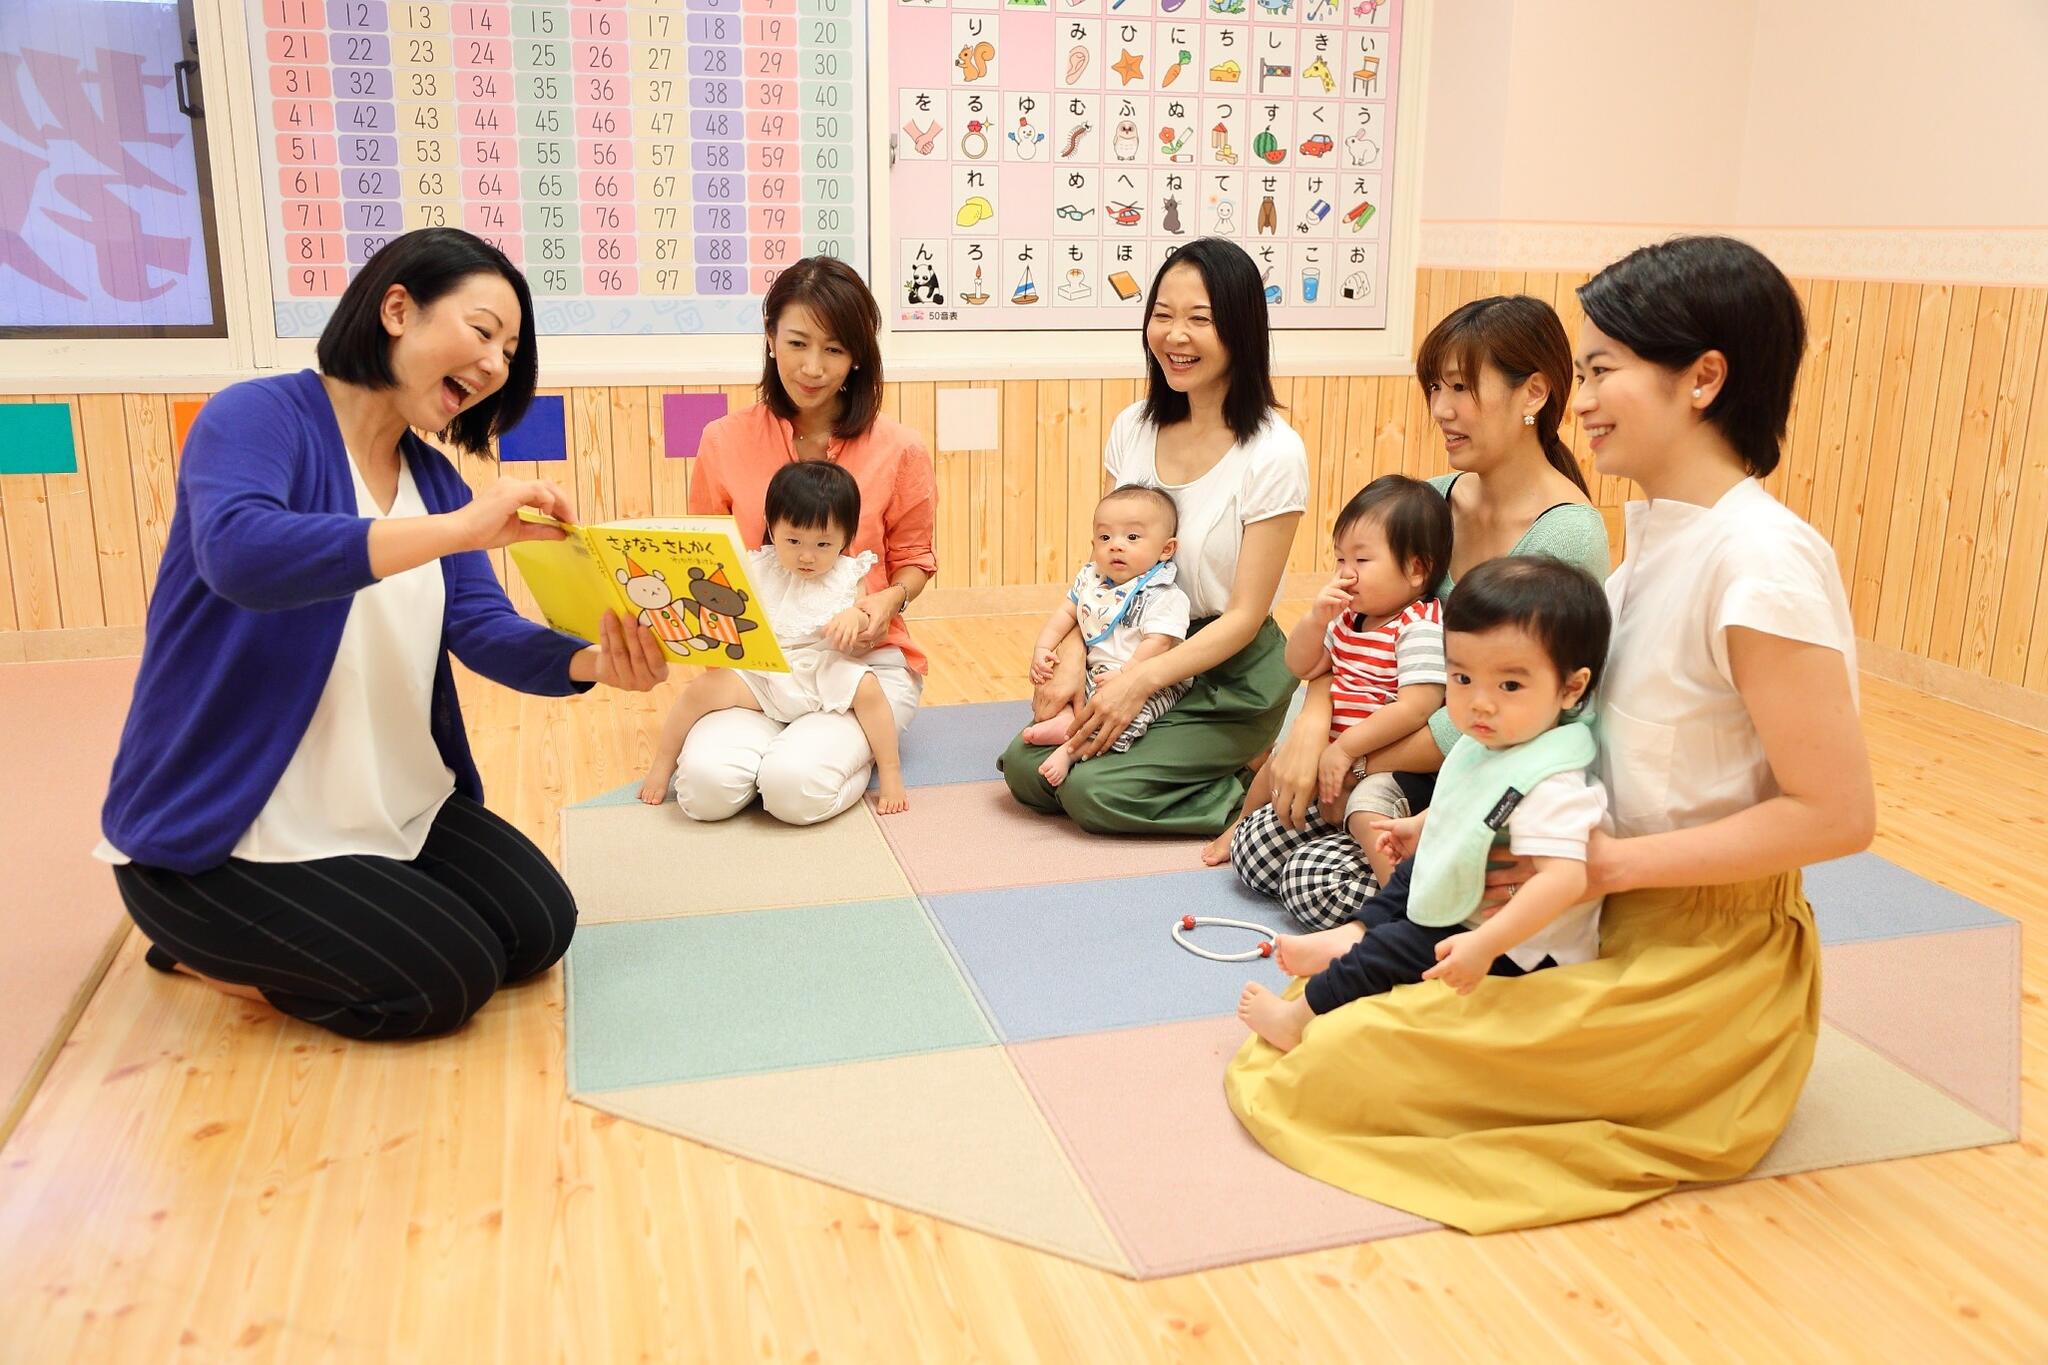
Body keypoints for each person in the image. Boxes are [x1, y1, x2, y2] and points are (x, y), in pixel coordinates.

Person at [1225, 235, 1876, 1233]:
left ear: (1702, 378)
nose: (1581, 398)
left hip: (1700, 956)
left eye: (1604, 369)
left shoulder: (1763, 567)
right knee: (1339, 1036)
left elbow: (1835, 816)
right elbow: (1547, 747)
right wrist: (1467, 837)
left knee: (1335, 1067)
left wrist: (1605, 866)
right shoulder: (1648, 551)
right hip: (1581, 908)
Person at [95, 228, 669, 1041]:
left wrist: (593, 662)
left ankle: (344, 901)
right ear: (398, 308)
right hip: (227, 832)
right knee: (444, 981)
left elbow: (479, 624)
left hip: (389, 801)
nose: (497, 365)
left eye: (510, 350)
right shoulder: (257, 417)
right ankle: (198, 948)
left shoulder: (430, 476)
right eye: (482, 331)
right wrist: (455, 531)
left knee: (538, 927)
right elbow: (239, 552)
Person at [1246, 294, 1611, 915]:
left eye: (1462, 388)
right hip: (1370, 742)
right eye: (1436, 387)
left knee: (1313, 883)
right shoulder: (1432, 501)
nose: (1441, 410)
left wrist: (1350, 763)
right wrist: (1312, 721)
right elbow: (1352, 629)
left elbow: (1491, 709)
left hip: (1477, 768)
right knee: (1259, 854)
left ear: (1535, 394)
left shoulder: (1566, 533)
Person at [1237, 556, 1610, 1050]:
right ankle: (1351, 932)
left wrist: (1485, 944)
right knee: (1414, 872)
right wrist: (1422, 823)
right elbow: (1480, 811)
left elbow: (1566, 879)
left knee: (1395, 949)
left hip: (1515, 945)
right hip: (1474, 899)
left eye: (1510, 684)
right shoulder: (1499, 740)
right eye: (1462, 679)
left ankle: (1298, 1017)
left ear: (1571, 687)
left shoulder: (1552, 781)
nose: (1480, 702)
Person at [1000, 238, 1306, 832]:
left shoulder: (1274, 452)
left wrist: (1138, 681)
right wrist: (1074, 654)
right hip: (1127, 642)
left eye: (1200, 319)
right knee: (1025, 772)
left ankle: (1250, 785)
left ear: (1241, 329)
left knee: (1091, 793)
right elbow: (1104, 565)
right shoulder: (1133, 427)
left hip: (1225, 670)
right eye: (1162, 315)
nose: (1174, 335)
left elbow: (1245, 617)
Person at [679, 257, 937, 825]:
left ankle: (840, 751)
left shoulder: (900, 448)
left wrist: (882, 603)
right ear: (770, 338)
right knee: (702, 790)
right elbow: (702, 559)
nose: (813, 367)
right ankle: (787, 752)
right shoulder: (723, 441)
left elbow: (916, 561)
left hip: (860, 666)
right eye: (797, 343)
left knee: (793, 792)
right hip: (759, 667)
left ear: (858, 358)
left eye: (835, 350)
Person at [1205, 475, 1451, 895]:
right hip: (1328, 759)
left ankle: (1400, 896)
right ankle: (1240, 825)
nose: (1346, 574)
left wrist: (1347, 749)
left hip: (1384, 766)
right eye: (1339, 560)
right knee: (1278, 762)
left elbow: (1418, 706)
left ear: (1416, 570)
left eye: (1362, 561)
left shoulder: (1419, 627)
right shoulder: (1348, 621)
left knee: (1366, 806)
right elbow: (1301, 664)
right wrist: (1316, 619)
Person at [640, 461, 909, 812]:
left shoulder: (848, 573)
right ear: (772, 527)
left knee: (868, 688)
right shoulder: (759, 565)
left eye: (824, 543)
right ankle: (664, 762)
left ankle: (889, 770)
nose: (807, 555)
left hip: (821, 672)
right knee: (702, 689)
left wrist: (854, 617)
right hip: (766, 672)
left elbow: (862, 613)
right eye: (793, 540)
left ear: (847, 537)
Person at [1019, 484, 1193, 789]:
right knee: (1070, 690)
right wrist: (1043, 647)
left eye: (1132, 537)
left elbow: (1159, 643)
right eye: (1105, 537)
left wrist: (1127, 674)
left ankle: (1069, 751)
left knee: (1123, 720)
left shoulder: (1165, 595)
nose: (1116, 545)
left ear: (1166, 549)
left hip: (1151, 681)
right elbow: (1065, 613)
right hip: (1098, 673)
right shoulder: (1092, 580)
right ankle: (1067, 720)